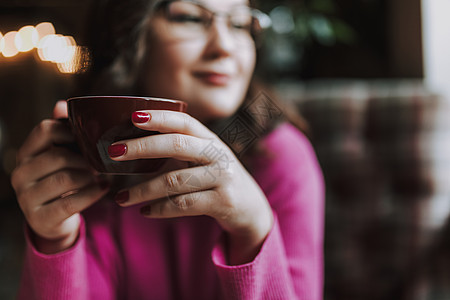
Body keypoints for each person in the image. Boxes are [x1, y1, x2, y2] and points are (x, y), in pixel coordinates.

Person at [11, 0, 325, 299]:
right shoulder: (89, 157)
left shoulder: (281, 156)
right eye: (190, 17)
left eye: (240, 24)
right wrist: (56, 240)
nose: (225, 46)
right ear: (129, 33)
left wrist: (253, 227)